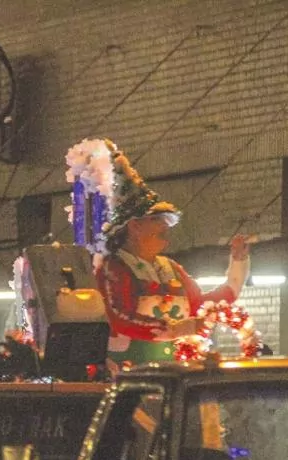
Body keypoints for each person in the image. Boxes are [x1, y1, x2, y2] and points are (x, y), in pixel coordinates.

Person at [79, 142, 251, 365]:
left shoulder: (171, 268)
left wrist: (238, 261)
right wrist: (177, 329)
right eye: (155, 220)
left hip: (174, 371)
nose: (164, 226)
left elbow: (201, 304)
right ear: (134, 226)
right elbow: (119, 317)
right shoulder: (113, 268)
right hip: (128, 370)